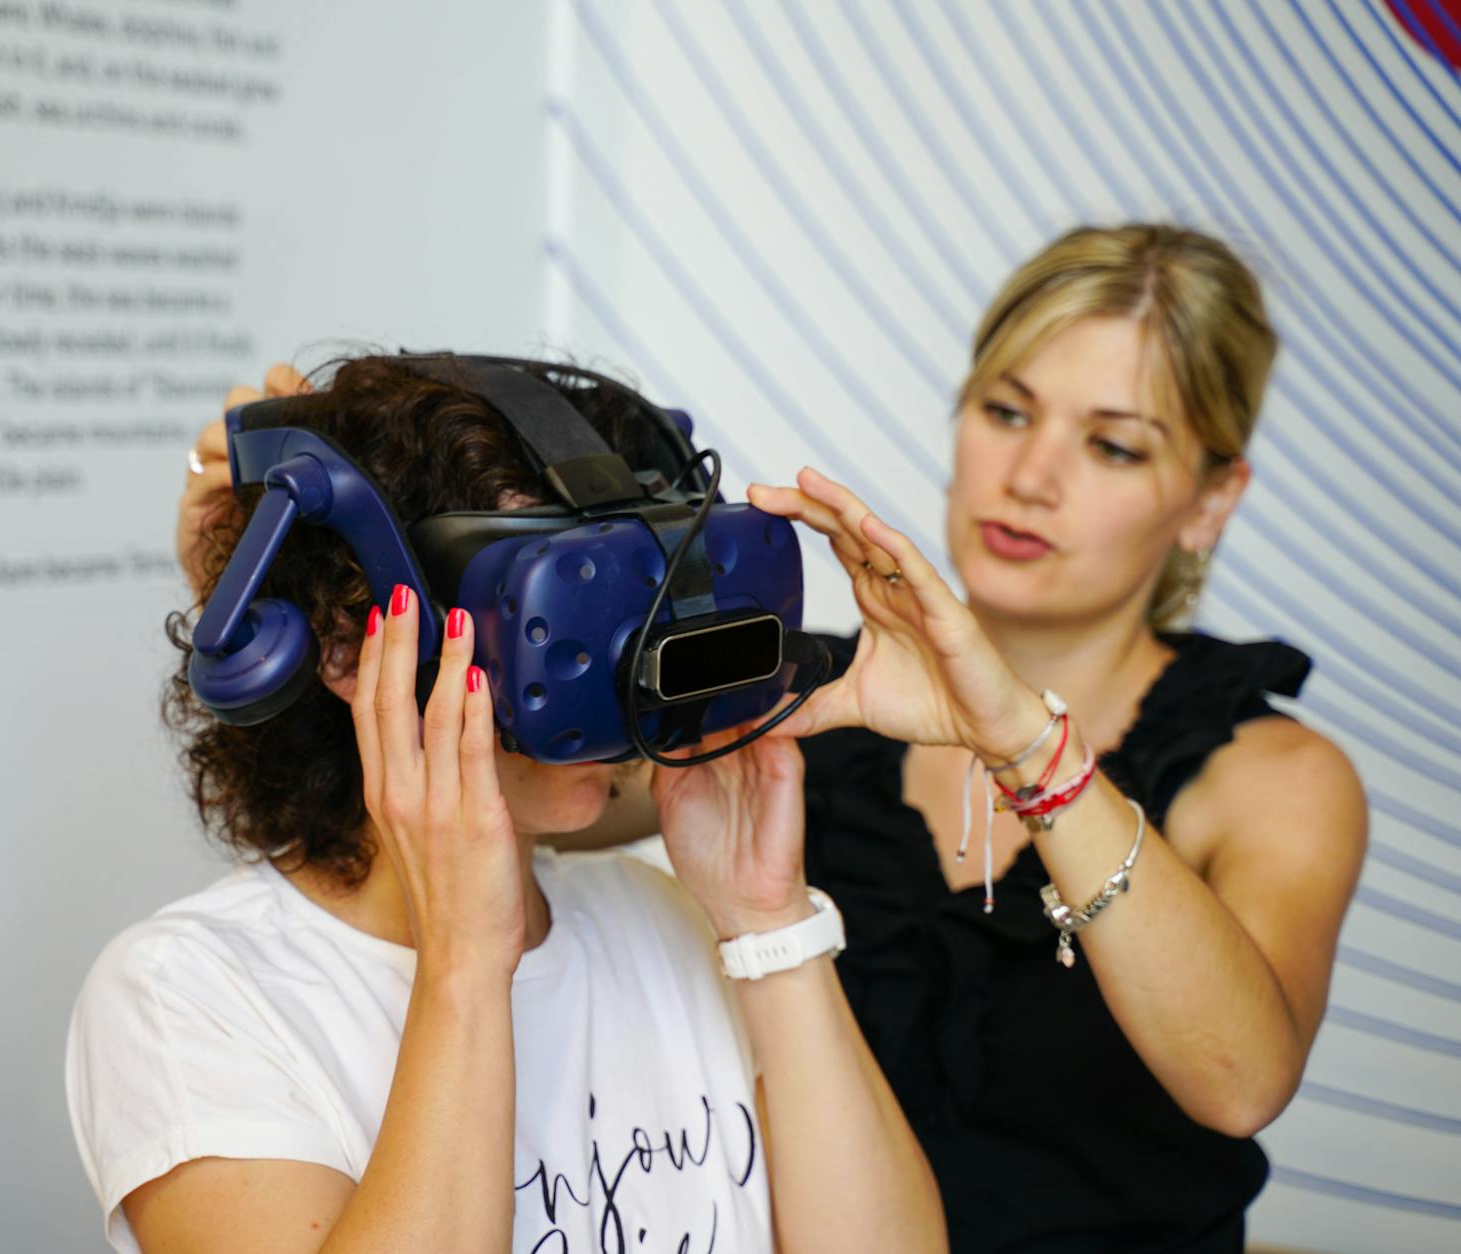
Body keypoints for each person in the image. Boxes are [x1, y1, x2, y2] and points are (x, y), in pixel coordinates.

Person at [172, 224, 1368, 1252]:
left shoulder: (1271, 777)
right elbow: (496, 782)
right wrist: (296, 587)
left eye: (1113, 443)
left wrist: (1017, 742)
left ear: (1210, 496)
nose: (1033, 475)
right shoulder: (788, 710)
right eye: (1006, 411)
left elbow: (1238, 1081)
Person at [71, 356, 946, 1253]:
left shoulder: (669, 923)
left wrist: (771, 926)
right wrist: (463, 965)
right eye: (560, 606)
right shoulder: (187, 996)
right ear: (345, 647)